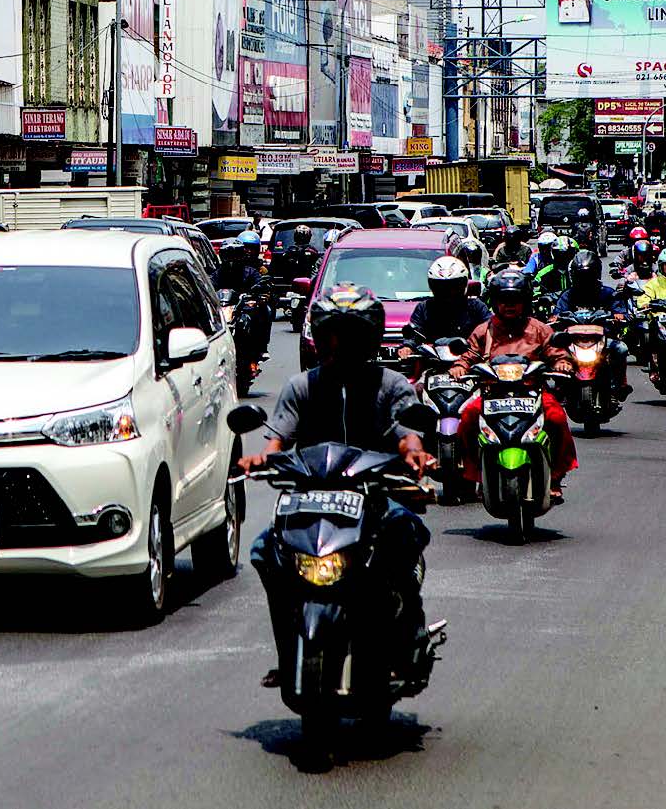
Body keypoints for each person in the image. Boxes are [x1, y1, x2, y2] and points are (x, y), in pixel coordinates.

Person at [242, 284, 435, 683]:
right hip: (311, 500)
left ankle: (407, 630)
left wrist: (413, 451)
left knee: (405, 532)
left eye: (351, 336)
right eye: (332, 335)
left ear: (371, 338)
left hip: (374, 496)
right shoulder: (301, 387)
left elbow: (406, 431)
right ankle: (289, 647)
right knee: (265, 550)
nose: (340, 346)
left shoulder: (391, 384)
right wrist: (261, 458)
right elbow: (277, 440)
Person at [451, 267, 578, 502]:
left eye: (516, 300)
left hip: (532, 394)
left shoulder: (539, 329)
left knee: (557, 418)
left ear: (525, 301)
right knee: (467, 416)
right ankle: (471, 475)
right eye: (504, 300)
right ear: (495, 302)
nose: (510, 305)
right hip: (493, 395)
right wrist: (459, 366)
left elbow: (557, 353)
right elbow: (468, 355)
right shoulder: (484, 330)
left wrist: (562, 364)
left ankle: (556, 475)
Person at [550, 249, 631, 396]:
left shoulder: (607, 293)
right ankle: (560, 384)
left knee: (621, 349)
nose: (585, 280)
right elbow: (557, 314)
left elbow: (619, 309)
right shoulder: (568, 295)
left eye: (588, 275)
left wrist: (619, 316)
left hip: (601, 339)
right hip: (573, 340)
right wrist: (554, 319)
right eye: (581, 276)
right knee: (556, 350)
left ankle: (620, 383)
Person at [404, 255, 491, 351]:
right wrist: (408, 347)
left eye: (454, 287)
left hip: (469, 359)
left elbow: (490, 331)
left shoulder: (477, 307)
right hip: (432, 361)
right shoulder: (424, 308)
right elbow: (415, 333)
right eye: (441, 288)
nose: (448, 293)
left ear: (464, 284)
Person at [217, 231, 263, 295]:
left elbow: (261, 286)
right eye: (229, 256)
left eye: (236, 255)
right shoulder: (219, 273)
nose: (249, 252)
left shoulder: (251, 272)